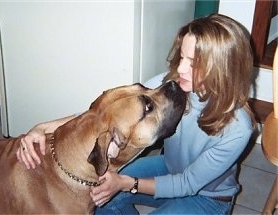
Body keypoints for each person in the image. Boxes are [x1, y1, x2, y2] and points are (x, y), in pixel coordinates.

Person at [16, 13, 255, 214]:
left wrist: (127, 183)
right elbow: (104, 114)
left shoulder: (237, 127)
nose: (181, 68)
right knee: (98, 197)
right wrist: (43, 127)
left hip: (207, 197)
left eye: (193, 63)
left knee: (116, 186)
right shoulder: (177, 83)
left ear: (224, 68)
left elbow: (188, 184)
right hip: (169, 167)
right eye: (182, 57)